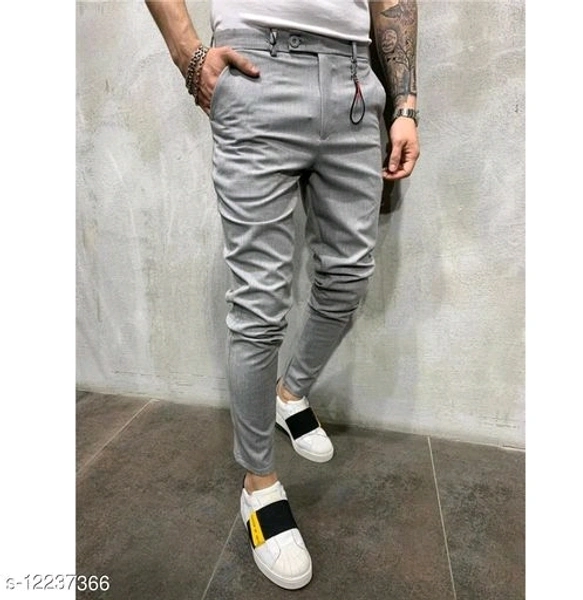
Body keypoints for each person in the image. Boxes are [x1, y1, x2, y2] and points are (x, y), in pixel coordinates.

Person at [145, 0, 419, 590]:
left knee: (349, 273)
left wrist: (404, 105)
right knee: (260, 302)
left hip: (354, 84)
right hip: (257, 73)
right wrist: (188, 54)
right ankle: (259, 485)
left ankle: (289, 393)